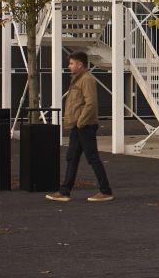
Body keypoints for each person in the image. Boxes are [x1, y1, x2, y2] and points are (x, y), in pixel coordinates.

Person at [46, 51, 113, 202]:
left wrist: (81, 122)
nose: (69, 66)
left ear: (80, 65)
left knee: (92, 158)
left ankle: (106, 191)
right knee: (72, 158)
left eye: (71, 63)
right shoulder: (77, 79)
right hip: (78, 126)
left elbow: (91, 103)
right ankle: (65, 191)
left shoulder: (87, 79)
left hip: (85, 126)